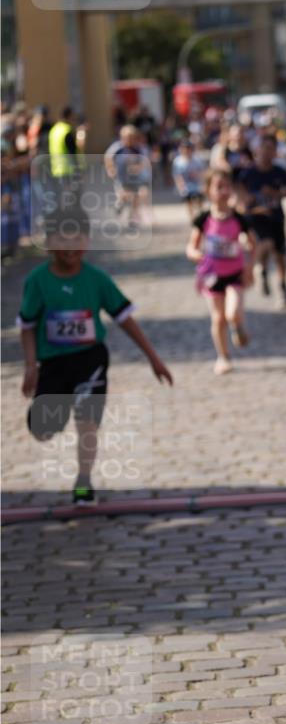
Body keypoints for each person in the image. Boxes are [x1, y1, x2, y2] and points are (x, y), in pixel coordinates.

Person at [18, 211, 173, 505]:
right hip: (53, 363)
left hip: (90, 360)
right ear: (49, 242)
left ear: (87, 241)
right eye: (62, 239)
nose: (70, 246)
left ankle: (83, 482)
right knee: (43, 431)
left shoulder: (97, 279)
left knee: (87, 421)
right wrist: (30, 365)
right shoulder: (37, 281)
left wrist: (154, 358)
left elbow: (125, 319)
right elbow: (27, 326)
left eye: (77, 238)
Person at [186, 169, 256, 375]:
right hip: (212, 276)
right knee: (218, 319)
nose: (224, 191)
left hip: (235, 273)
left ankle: (238, 325)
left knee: (232, 312)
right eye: (218, 187)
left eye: (227, 186)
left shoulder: (239, 219)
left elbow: (253, 243)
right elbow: (191, 246)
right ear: (208, 191)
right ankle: (223, 357)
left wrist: (250, 266)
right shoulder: (203, 219)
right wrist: (196, 255)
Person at [238, 134, 286, 307]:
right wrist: (246, 200)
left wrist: (276, 193)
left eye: (271, 149)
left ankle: (283, 286)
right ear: (258, 150)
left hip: (276, 216)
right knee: (265, 244)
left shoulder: (279, 171)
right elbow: (239, 192)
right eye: (265, 148)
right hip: (256, 217)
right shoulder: (249, 173)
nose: (267, 152)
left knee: (280, 255)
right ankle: (260, 270)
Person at [171, 139, 205, 220]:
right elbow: (177, 175)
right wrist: (180, 186)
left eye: (188, 148)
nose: (186, 150)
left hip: (197, 184)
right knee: (188, 201)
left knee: (199, 200)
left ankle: (200, 216)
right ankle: (192, 218)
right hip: (186, 185)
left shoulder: (197, 160)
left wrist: (198, 176)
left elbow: (202, 172)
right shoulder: (178, 161)